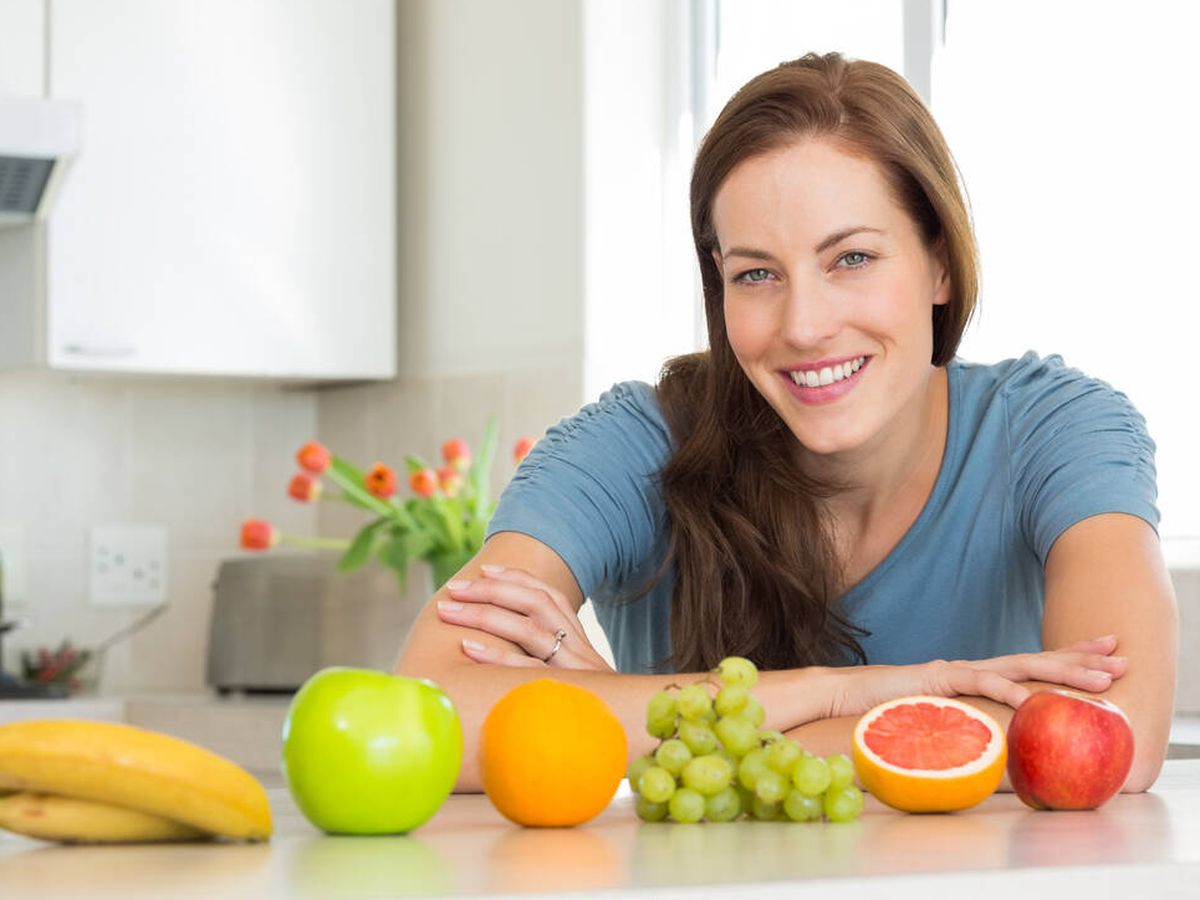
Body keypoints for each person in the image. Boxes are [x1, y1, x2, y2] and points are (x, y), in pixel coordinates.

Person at [395, 52, 1177, 793]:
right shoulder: (631, 444)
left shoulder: (1056, 430)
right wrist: (842, 693)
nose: (803, 326)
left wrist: (645, 719)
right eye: (757, 274)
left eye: (852, 259)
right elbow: (429, 713)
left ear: (940, 263)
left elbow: (1108, 735)